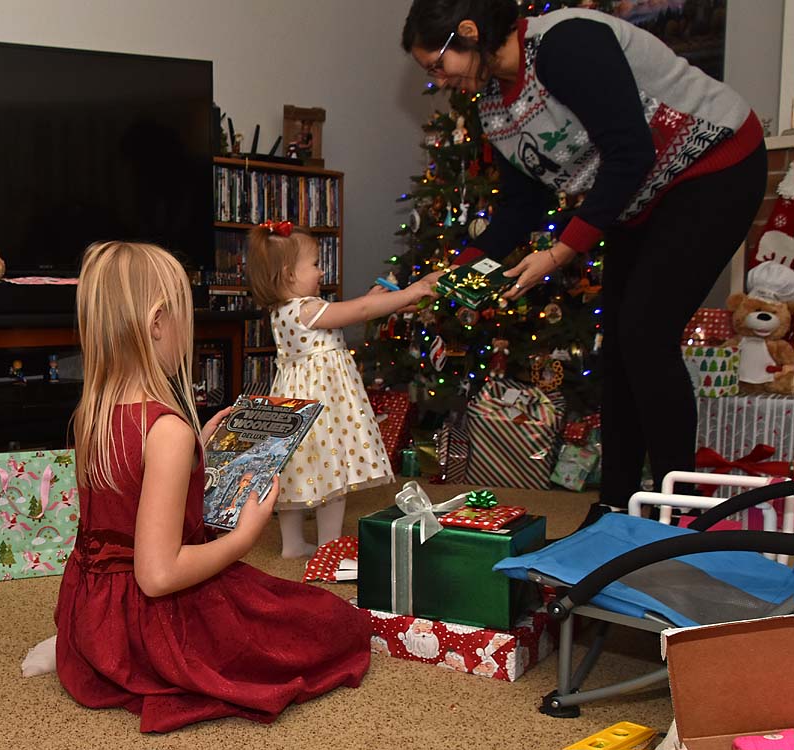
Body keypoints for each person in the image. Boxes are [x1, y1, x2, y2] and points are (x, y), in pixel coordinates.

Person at [402, 1, 768, 523]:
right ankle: (615, 507)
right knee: (619, 345)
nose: (439, 80)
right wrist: (457, 268)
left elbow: (629, 151)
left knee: (644, 333)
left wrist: (560, 251)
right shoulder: (493, 107)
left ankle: (687, 517)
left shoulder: (565, 45)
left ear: (469, 32)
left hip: (714, 168)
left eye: (438, 65)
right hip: (639, 199)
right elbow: (523, 204)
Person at [49, 240, 372, 732]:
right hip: (152, 623)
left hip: (93, 616)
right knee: (335, 624)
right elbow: (157, 576)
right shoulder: (166, 431)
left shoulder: (91, 414)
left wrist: (198, 447)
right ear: (158, 323)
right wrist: (244, 537)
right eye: (183, 313)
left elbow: (129, 499)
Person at [247, 220, 442, 558]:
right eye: (315, 264)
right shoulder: (307, 309)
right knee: (332, 472)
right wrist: (408, 293)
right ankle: (329, 545)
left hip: (296, 405)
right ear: (289, 274)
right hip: (322, 406)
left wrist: (387, 302)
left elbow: (354, 310)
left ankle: (293, 544)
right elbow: (359, 311)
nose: (321, 272)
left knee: (296, 472)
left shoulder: (283, 311)